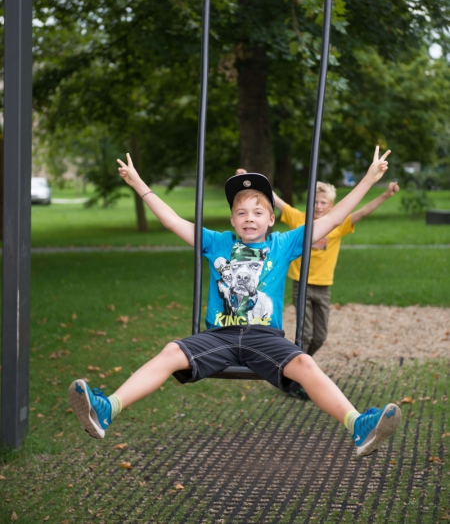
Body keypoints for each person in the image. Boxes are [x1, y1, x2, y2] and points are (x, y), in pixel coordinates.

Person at [68, 147, 401, 457]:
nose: (249, 218)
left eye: (258, 212)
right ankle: (107, 409)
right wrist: (138, 183)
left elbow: (333, 219)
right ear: (232, 219)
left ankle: (357, 425)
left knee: (305, 364)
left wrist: (369, 179)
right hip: (219, 336)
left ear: (271, 219)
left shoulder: (284, 243)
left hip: (264, 337)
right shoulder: (216, 242)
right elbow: (171, 220)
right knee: (171, 352)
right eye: (241, 212)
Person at [235, 171, 399, 358]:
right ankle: (297, 369)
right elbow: (276, 200)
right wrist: (251, 180)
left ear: (331, 206)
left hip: (323, 286)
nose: (318, 206)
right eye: (315, 202)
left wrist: (386, 195)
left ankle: (301, 363)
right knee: (304, 335)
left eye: (323, 202)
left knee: (320, 337)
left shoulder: (337, 224)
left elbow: (363, 211)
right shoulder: (299, 219)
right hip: (301, 285)